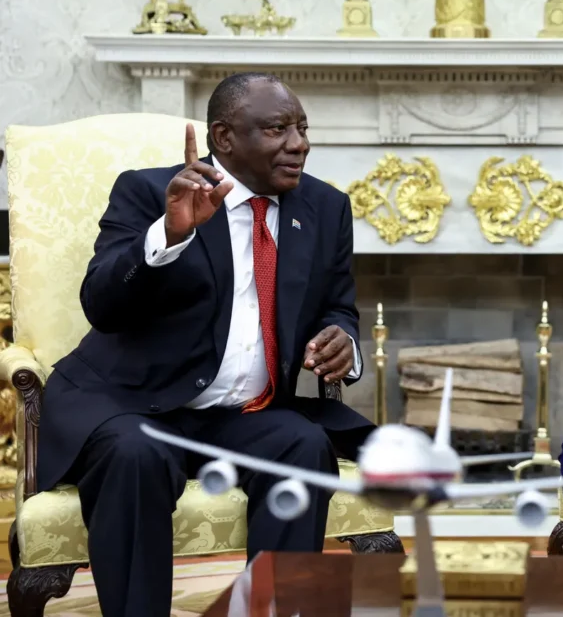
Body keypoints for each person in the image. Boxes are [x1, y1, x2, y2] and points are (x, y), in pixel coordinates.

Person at [36, 72, 374, 617]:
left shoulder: (325, 208)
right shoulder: (151, 192)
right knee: (135, 454)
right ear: (224, 138)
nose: (299, 144)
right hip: (134, 401)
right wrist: (167, 237)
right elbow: (101, 304)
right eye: (278, 129)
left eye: (303, 129)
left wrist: (345, 344)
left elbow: (338, 305)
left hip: (244, 413)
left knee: (303, 447)